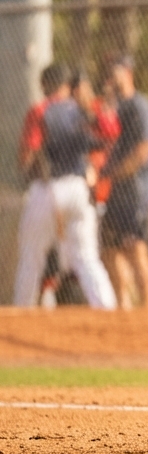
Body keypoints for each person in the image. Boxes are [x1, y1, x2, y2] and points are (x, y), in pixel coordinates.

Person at [13, 64, 117, 309]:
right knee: (87, 257)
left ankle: (22, 311)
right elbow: (109, 133)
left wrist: (27, 169)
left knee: (32, 255)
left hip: (48, 190)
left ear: (45, 85)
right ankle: (107, 310)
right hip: (79, 188)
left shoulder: (40, 110)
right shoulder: (83, 111)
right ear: (68, 86)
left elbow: (27, 154)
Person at [100, 56, 148, 309]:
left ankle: (147, 309)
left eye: (118, 72)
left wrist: (115, 173)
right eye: (111, 74)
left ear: (129, 73)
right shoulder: (113, 107)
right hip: (115, 190)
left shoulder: (138, 105)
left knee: (135, 247)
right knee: (110, 249)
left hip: (134, 188)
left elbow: (143, 150)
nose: (113, 78)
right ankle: (122, 307)